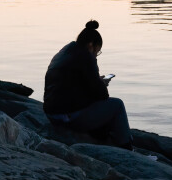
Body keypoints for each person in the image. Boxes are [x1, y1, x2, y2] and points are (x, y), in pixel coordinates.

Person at [43, 20, 133, 150]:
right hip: (67, 117)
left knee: (99, 110)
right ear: (91, 45)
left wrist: (95, 80)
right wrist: (101, 82)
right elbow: (102, 95)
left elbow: (73, 85)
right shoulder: (85, 56)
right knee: (117, 105)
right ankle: (127, 149)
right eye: (97, 51)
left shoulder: (66, 50)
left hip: (52, 114)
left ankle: (104, 139)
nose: (96, 55)